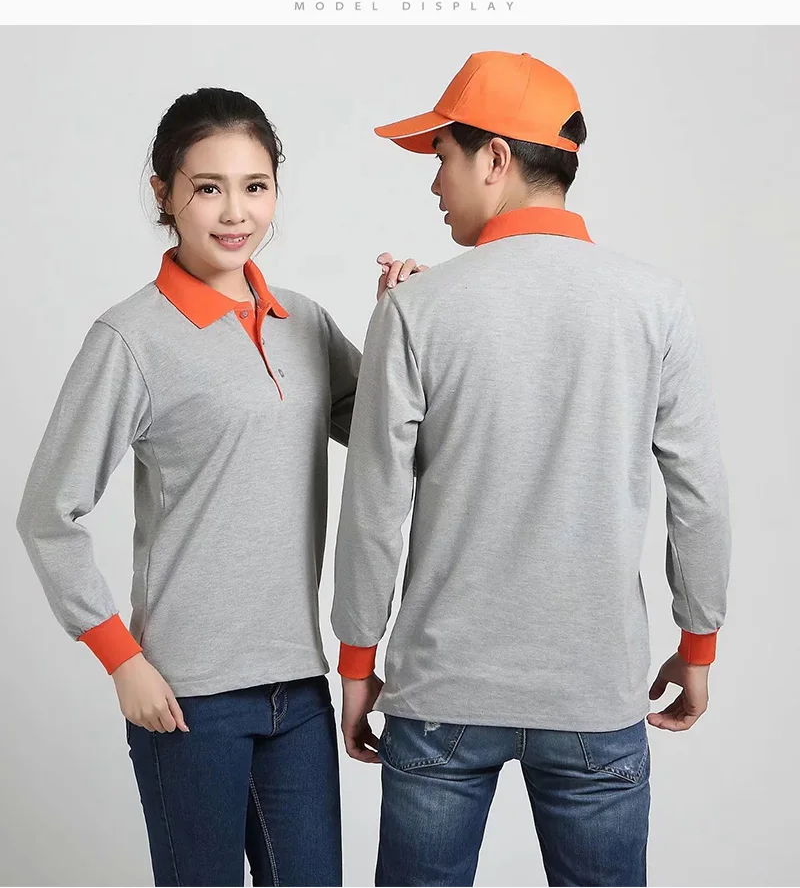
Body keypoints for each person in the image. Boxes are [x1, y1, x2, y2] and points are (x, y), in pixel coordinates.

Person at [331, 52, 731, 887]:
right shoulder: (654, 303)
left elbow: (374, 507)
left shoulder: (417, 310)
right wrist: (697, 644)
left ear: (496, 158)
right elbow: (698, 493)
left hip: (441, 693)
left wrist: (358, 664)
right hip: (593, 690)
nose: (434, 182)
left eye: (441, 155)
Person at [15, 86, 420, 888]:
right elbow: (47, 513)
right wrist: (122, 659)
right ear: (163, 193)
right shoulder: (130, 338)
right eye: (208, 187)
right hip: (185, 696)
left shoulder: (303, 322)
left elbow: (389, 439)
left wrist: (402, 326)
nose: (236, 212)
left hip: (298, 687)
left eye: (255, 185)